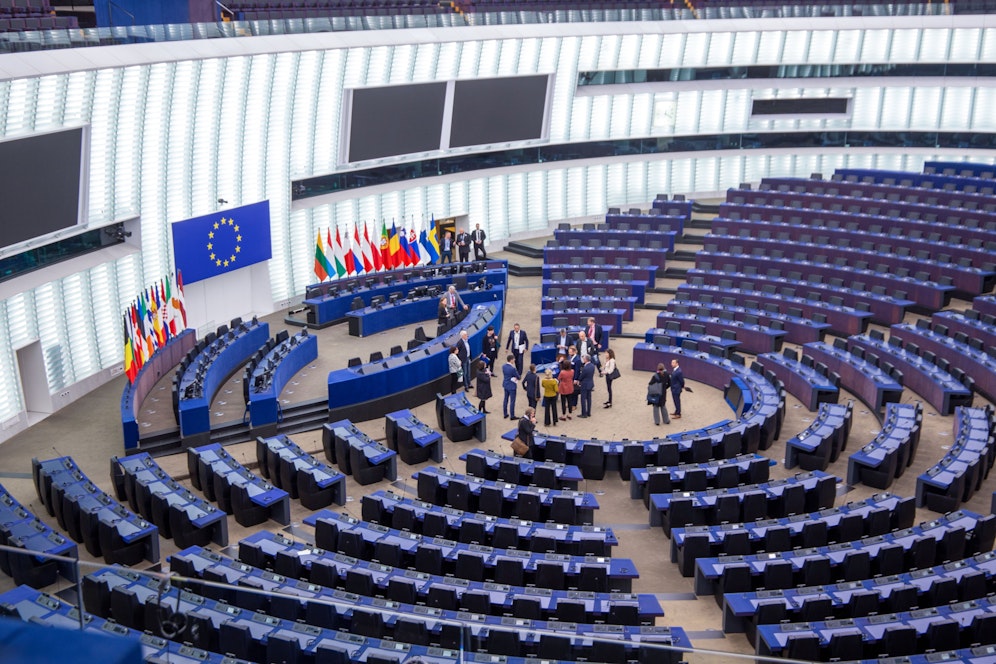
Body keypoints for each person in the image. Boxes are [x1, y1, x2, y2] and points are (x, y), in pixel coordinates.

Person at [501, 354, 520, 420]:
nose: (514, 360)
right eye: (513, 359)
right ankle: (512, 415)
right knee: (512, 401)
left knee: (505, 399)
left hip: (506, 384)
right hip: (512, 386)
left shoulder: (503, 366)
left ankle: (505, 413)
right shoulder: (513, 369)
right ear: (511, 360)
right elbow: (518, 377)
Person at [578, 354, 596, 418]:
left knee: (583, 399)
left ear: (586, 359)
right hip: (590, 383)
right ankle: (589, 412)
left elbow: (581, 376)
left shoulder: (585, 368)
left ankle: (584, 413)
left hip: (584, 384)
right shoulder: (592, 366)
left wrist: (579, 380)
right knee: (589, 399)